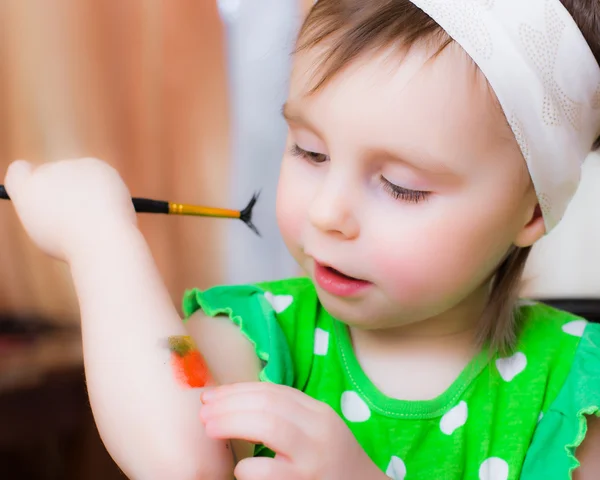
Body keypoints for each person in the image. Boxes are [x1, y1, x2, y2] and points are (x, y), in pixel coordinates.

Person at [4, 0, 600, 479]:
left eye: (401, 186)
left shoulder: (576, 391)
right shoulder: (262, 332)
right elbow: (178, 456)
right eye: (309, 152)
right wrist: (100, 242)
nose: (327, 211)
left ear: (530, 211)